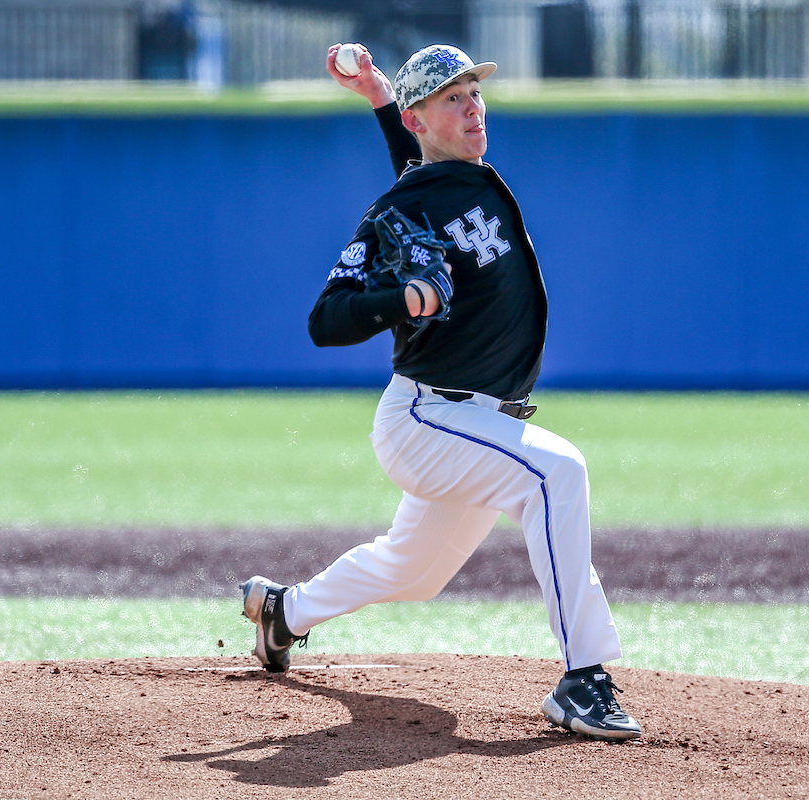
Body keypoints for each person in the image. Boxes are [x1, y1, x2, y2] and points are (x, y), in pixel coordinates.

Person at [240, 42, 642, 742]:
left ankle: (284, 612)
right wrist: (401, 298)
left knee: (414, 568)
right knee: (556, 473)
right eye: (453, 98)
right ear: (420, 119)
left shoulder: (447, 179)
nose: (473, 107)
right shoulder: (401, 205)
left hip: (480, 422)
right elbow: (325, 321)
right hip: (425, 418)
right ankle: (583, 678)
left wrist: (379, 96)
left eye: (475, 93)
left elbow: (419, 164)